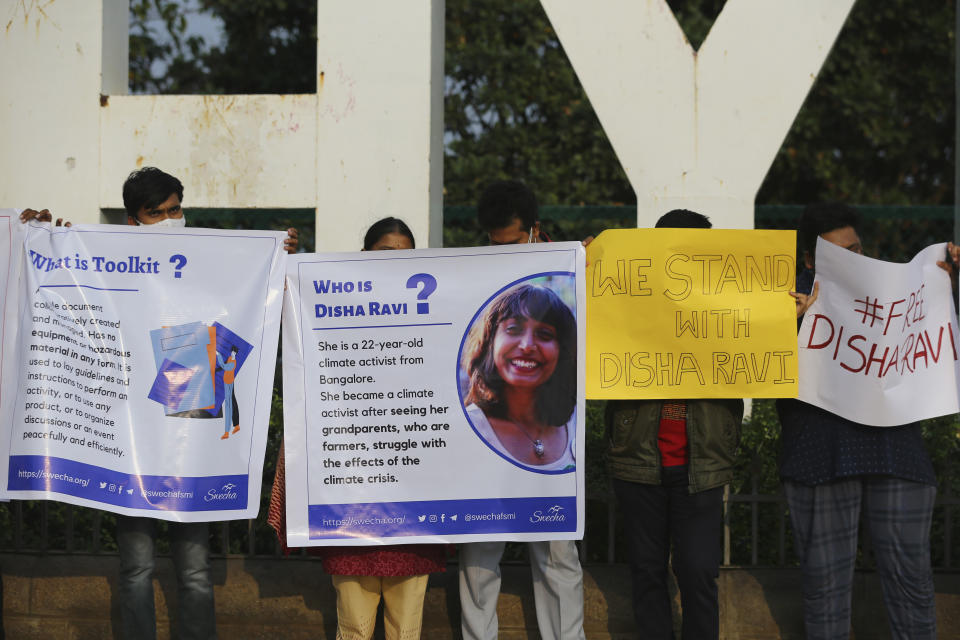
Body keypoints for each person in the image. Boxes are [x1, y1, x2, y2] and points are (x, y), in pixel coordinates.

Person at [777, 202, 959, 640]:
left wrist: (950, 281)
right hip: (819, 457)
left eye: (857, 249)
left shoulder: (899, 288)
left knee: (912, 583)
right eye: (842, 253)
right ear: (810, 259)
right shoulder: (783, 300)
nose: (855, 260)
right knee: (824, 592)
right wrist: (789, 325)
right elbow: (752, 366)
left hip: (897, 454)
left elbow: (940, 331)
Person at [268, 216, 447, 640]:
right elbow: (281, 310)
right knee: (353, 626)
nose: (394, 263)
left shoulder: (436, 308)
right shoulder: (329, 300)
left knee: (407, 628)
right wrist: (281, 261)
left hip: (412, 504)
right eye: (386, 253)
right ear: (364, 255)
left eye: (405, 255)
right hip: (350, 500)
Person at [604, 209, 744, 640]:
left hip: (702, 462)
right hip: (638, 458)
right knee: (646, 572)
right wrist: (585, 265)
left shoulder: (732, 300)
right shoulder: (626, 297)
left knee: (699, 573)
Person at [459, 180, 585, 640]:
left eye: (512, 243)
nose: (527, 346)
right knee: (478, 558)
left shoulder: (573, 267)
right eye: (513, 330)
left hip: (554, 443)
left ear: (534, 231)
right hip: (484, 444)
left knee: (558, 558)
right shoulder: (471, 273)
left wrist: (592, 266)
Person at [462, 283, 577, 470]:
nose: (527, 345)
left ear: (561, 351)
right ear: (490, 342)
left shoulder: (577, 424)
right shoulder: (467, 428)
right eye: (514, 329)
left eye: (544, 334)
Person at [217, 347, 239, 440]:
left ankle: (227, 431)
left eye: (234, 352)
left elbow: (224, 366)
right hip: (228, 382)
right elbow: (223, 365)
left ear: (236, 353)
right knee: (232, 403)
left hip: (229, 384)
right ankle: (236, 426)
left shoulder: (233, 363)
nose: (232, 353)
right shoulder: (230, 359)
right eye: (232, 351)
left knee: (228, 406)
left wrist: (218, 355)